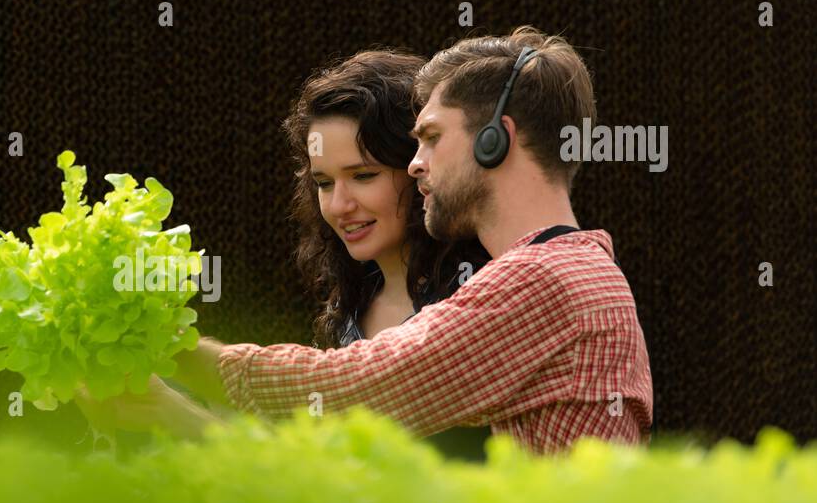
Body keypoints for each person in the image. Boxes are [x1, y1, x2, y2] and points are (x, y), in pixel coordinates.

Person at [86, 27, 654, 457]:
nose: (416, 164)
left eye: (431, 138)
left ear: (492, 142)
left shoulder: (543, 280)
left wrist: (171, 347)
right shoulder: (576, 268)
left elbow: (357, 386)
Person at [77, 47, 492, 459]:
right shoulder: (349, 309)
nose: (339, 205)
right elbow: (326, 480)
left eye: (363, 176)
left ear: (421, 168)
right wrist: (163, 408)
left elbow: (363, 461)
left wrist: (171, 352)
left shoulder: (479, 296)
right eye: (324, 183)